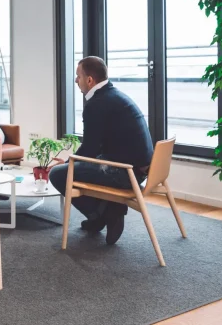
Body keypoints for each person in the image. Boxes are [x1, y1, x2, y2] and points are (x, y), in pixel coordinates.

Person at [48, 56, 153, 245]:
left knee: (58, 174)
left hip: (124, 173)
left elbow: (89, 149)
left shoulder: (96, 104)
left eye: (78, 76)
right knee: (76, 168)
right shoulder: (115, 96)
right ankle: (104, 212)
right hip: (138, 170)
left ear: (89, 80)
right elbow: (97, 147)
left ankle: (104, 214)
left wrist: (66, 164)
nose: (75, 80)